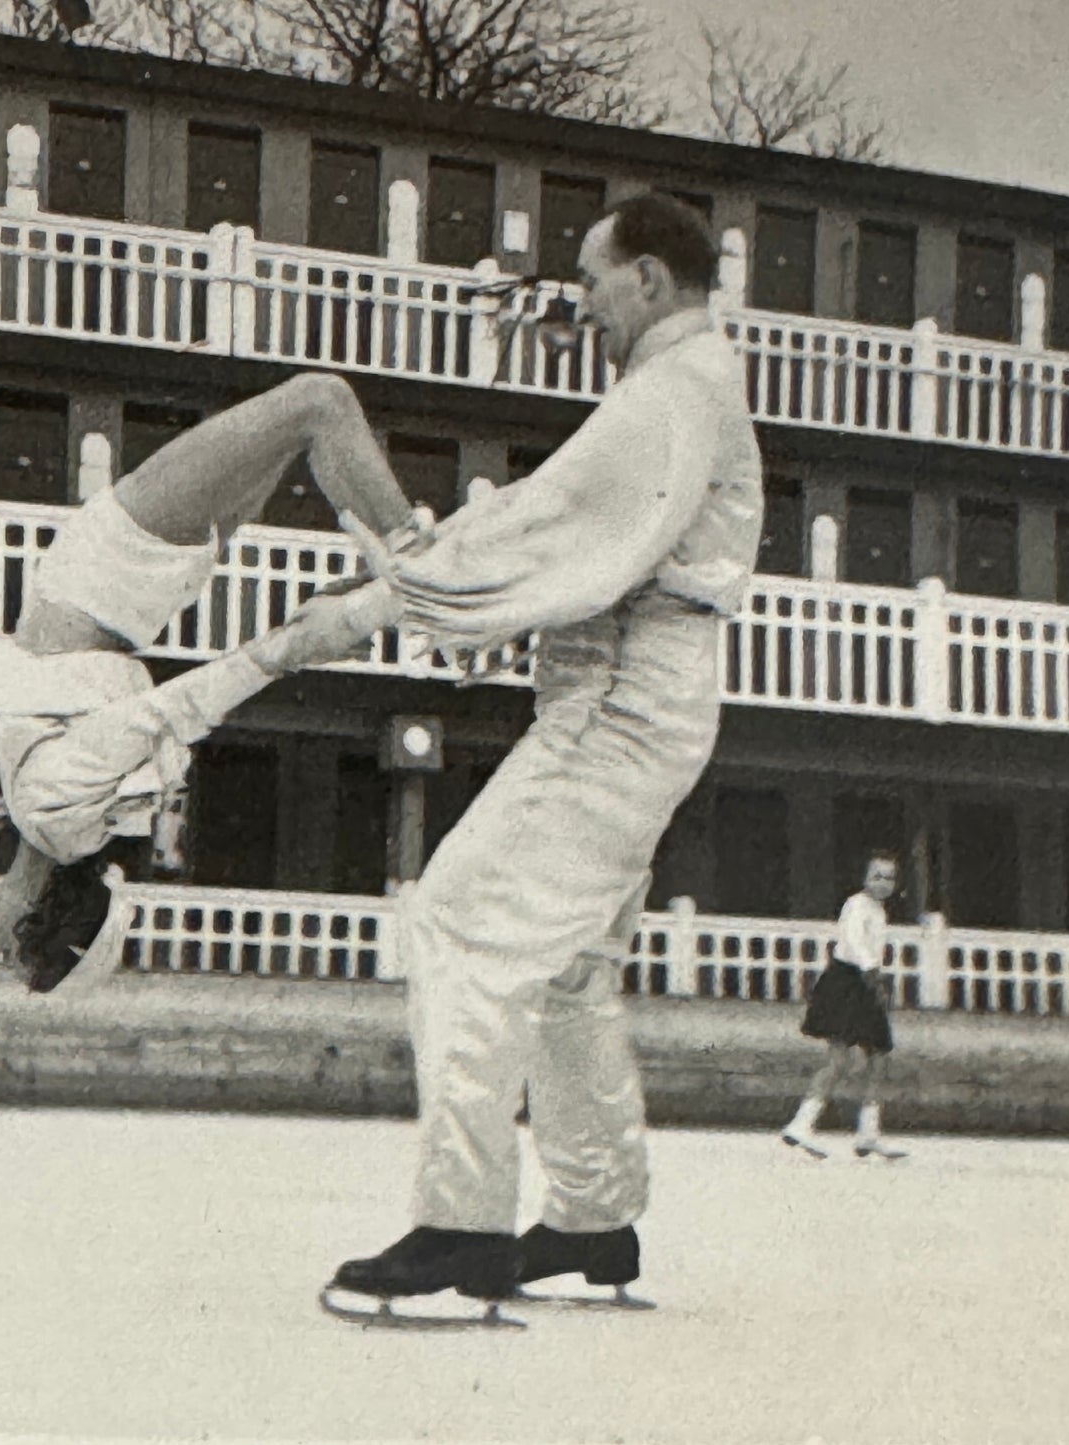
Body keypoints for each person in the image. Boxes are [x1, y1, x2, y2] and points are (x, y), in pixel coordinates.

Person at [324, 193, 764, 1316]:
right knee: (567, 965)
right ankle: (593, 1215)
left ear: (651, 281)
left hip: (616, 704)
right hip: (645, 696)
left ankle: (461, 1224)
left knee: (461, 918)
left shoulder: (666, 393)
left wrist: (406, 589)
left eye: (591, 273)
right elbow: (569, 531)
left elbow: (546, 521)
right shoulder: (690, 384)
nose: (579, 296)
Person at [0, 372, 421, 991]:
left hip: (133, 597)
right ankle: (424, 567)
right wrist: (284, 650)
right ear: (35, 919)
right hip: (113, 570)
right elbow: (163, 713)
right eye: (8, 953)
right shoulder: (48, 807)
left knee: (306, 429)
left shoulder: (62, 828)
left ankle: (407, 571)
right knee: (320, 400)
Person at [782, 852, 904, 1161]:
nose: (883, 883)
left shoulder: (878, 911)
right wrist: (873, 973)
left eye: (889, 878)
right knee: (838, 1061)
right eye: (877, 876)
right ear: (864, 878)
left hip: (864, 983)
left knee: (878, 1055)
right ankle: (802, 1124)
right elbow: (853, 942)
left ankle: (868, 1132)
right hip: (847, 982)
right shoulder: (856, 905)